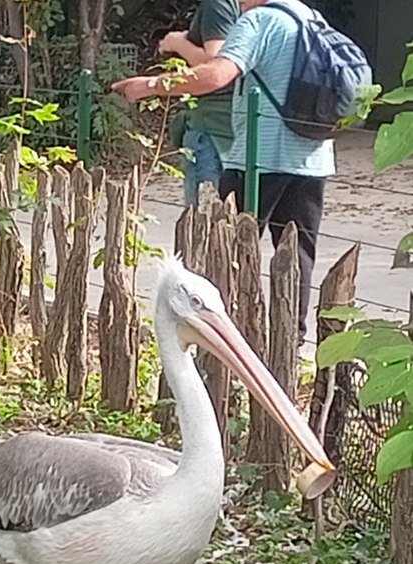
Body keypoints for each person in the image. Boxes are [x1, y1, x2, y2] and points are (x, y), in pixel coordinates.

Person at [113, 0, 331, 345]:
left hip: (260, 158)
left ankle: (218, 337)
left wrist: (152, 85)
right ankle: (290, 342)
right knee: (297, 253)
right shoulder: (307, 16)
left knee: (222, 245)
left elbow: (215, 75)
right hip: (313, 157)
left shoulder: (258, 20)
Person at [158, 0, 240, 206]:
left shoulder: (217, 4)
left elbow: (214, 61)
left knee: (200, 222)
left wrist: (177, 43)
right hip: (236, 126)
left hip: (210, 129)